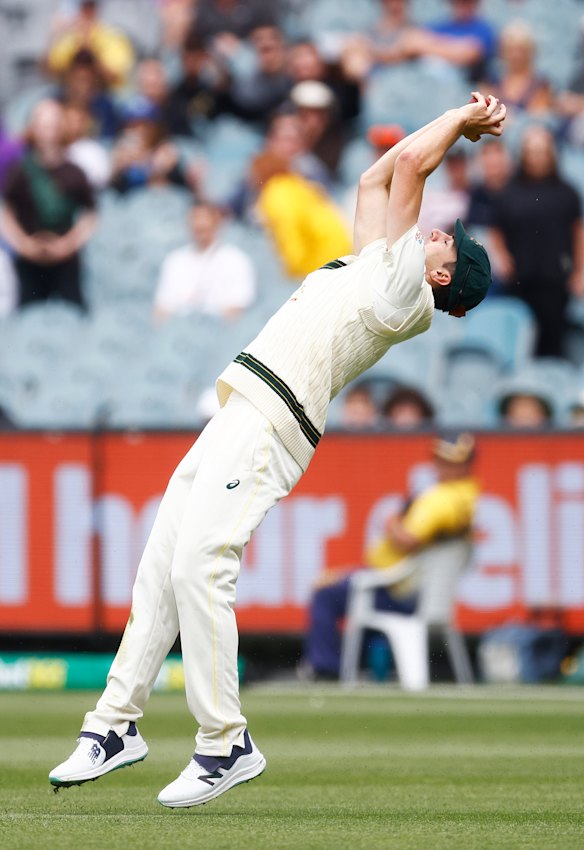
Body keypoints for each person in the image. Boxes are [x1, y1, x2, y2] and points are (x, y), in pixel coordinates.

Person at [49, 91, 505, 806]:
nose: (438, 233)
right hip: (241, 406)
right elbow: (373, 180)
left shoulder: (403, 291)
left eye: (446, 242)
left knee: (202, 565)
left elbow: (413, 166)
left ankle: (224, 741)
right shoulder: (377, 265)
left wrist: (460, 119)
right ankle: (113, 725)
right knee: (163, 563)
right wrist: (446, 128)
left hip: (272, 424)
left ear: (442, 275)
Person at [304, 432, 479, 679]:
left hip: (399, 591)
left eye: (452, 462)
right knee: (348, 586)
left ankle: (326, 669)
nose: (443, 467)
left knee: (326, 594)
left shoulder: (444, 498)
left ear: (466, 464)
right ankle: (353, 667)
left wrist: (392, 523)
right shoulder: (464, 495)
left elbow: (407, 540)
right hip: (404, 585)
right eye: (440, 459)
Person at [488, 125, 584, 357]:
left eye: (542, 151)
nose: (538, 157)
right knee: (517, 344)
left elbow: (578, 232)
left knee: (551, 347)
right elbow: (495, 228)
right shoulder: (509, 192)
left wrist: (580, 271)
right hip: (518, 281)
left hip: (554, 282)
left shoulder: (567, 192)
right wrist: (501, 255)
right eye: (532, 151)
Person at [0, 100, 97, 310]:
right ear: (33, 128)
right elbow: (5, 212)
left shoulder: (75, 172)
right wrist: (23, 244)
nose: (48, 133)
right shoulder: (19, 172)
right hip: (29, 263)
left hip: (66, 263)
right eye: (43, 126)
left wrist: (67, 245)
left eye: (53, 125)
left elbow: (91, 214)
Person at [153, 202, 256, 322]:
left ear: (217, 222)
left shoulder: (236, 260)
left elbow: (237, 310)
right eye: (195, 219)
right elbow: (161, 309)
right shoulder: (174, 260)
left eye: (204, 220)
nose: (199, 225)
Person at [46, 0, 135, 90]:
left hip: (107, 94)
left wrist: (88, 46)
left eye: (90, 8)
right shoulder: (69, 38)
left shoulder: (113, 36)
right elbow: (50, 71)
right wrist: (53, 37)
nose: (86, 13)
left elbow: (114, 76)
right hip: (74, 94)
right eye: (83, 8)